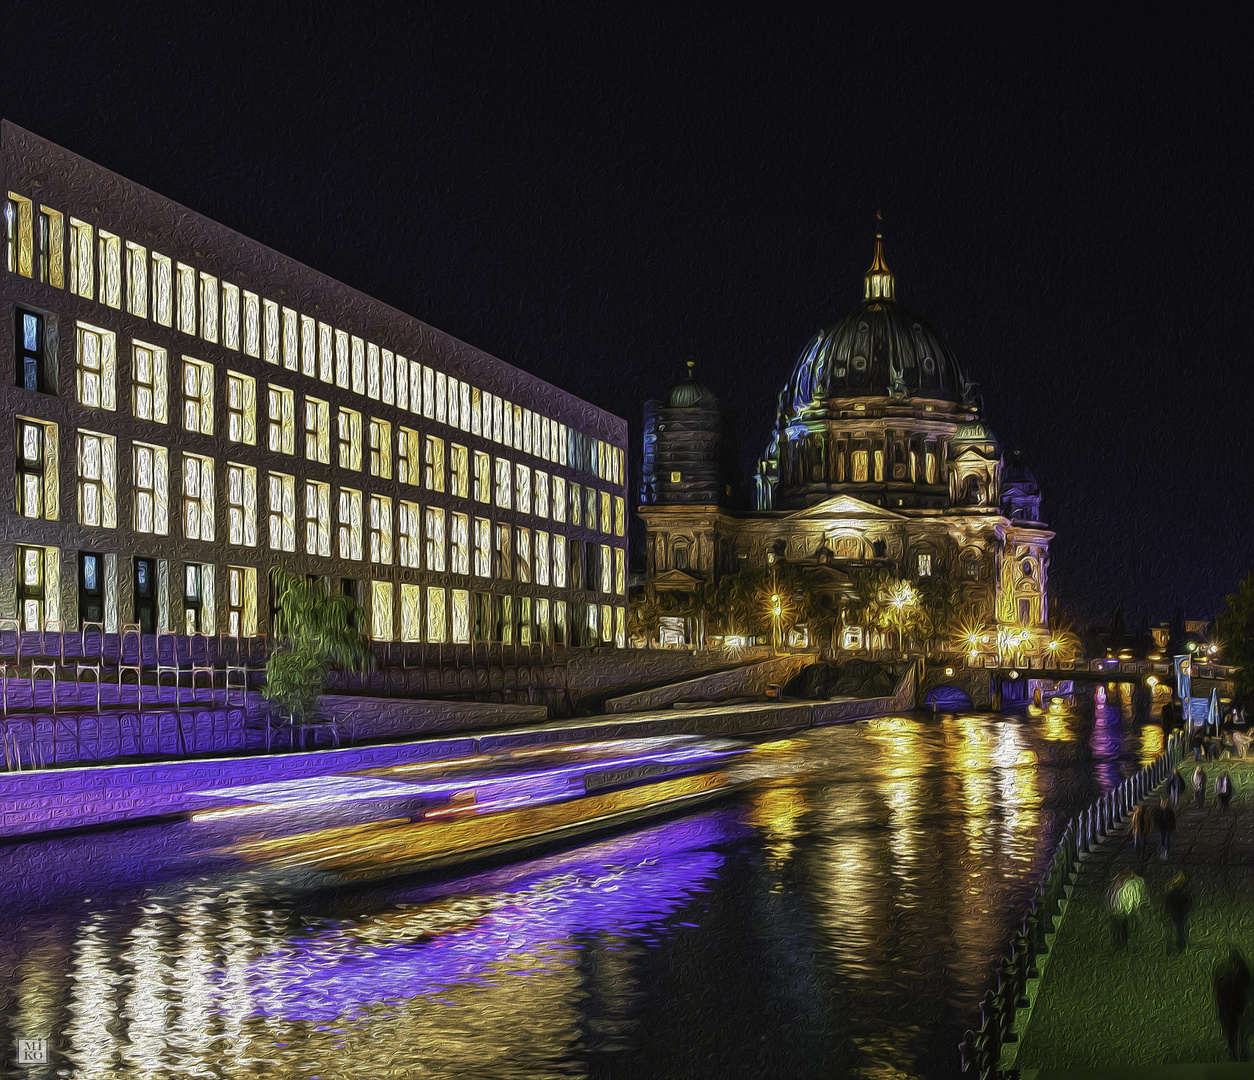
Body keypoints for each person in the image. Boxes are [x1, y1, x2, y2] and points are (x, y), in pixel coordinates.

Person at [1214, 946, 1251, 1060]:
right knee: (1236, 1032)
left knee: (1233, 1033)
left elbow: (1219, 996)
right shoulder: (1241, 975)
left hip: (1232, 1010)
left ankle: (1236, 1052)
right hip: (1236, 1009)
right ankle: (1238, 1053)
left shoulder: (1223, 975)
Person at [1164, 872, 1194, 952]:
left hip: (1180, 912)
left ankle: (1180, 945)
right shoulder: (1177, 891)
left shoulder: (1180, 891)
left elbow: (1189, 902)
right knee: (1179, 929)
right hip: (1178, 912)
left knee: (1179, 929)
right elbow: (1168, 902)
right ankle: (1180, 945)